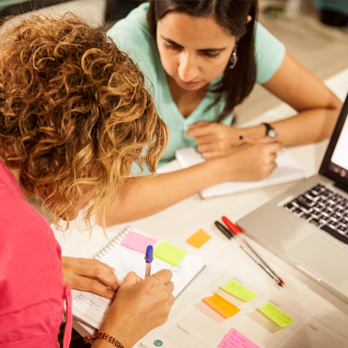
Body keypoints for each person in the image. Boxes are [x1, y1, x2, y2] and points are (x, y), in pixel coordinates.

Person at [0, 14, 174, 348]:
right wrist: (119, 332)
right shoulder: (21, 240)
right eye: (111, 170)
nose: (102, 193)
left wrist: (29, 280)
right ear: (81, 153)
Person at [102, 0, 342, 226]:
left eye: (209, 53)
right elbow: (107, 205)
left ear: (241, 34)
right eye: (172, 45)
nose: (186, 72)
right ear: (154, 19)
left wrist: (243, 136)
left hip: (196, 204)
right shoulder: (123, 52)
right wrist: (227, 167)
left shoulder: (250, 40)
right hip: (135, 216)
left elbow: (333, 114)